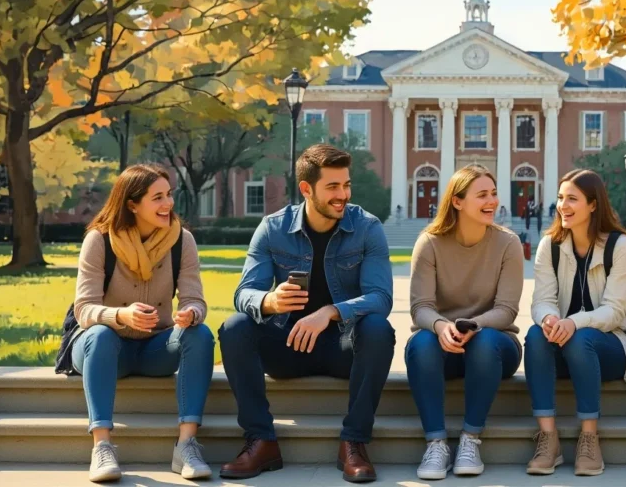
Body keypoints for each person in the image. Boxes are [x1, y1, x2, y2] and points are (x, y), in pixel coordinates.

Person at [218, 144, 395, 483]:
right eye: (332, 187)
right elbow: (244, 294)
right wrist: (270, 301)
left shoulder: (367, 227)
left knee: (377, 328)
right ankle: (261, 440)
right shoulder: (273, 228)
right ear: (306, 189)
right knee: (235, 326)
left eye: (346, 185)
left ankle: (354, 442)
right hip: (288, 347)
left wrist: (330, 311)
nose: (342, 195)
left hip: (345, 349)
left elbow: (381, 297)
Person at [71, 164, 214, 482]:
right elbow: (84, 309)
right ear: (132, 204)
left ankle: (186, 445)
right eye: (157, 197)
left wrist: (190, 313)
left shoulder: (182, 241)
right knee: (100, 335)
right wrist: (120, 315)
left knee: (200, 334)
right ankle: (102, 447)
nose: (168, 204)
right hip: (104, 348)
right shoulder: (99, 241)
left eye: (169, 195)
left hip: (155, 347)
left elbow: (195, 299)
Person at [406, 164, 525, 480]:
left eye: (494, 193)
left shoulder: (509, 243)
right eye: (482, 195)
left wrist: (470, 327)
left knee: (485, 341)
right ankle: (435, 443)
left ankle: (470, 439)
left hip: (495, 346)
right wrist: (442, 327)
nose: (492, 201)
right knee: (420, 342)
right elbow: (421, 308)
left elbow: (506, 310)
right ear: (457, 201)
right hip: (441, 347)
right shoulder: (429, 242)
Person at [525, 169, 626, 477]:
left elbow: (615, 311)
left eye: (572, 199)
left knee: (580, 338)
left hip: (612, 348)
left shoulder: (620, 246)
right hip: (562, 346)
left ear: (593, 204)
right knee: (536, 335)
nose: (563, 205)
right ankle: (548, 439)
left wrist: (574, 323)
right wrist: (549, 318)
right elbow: (542, 299)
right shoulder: (549, 245)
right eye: (561, 198)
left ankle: (589, 437)